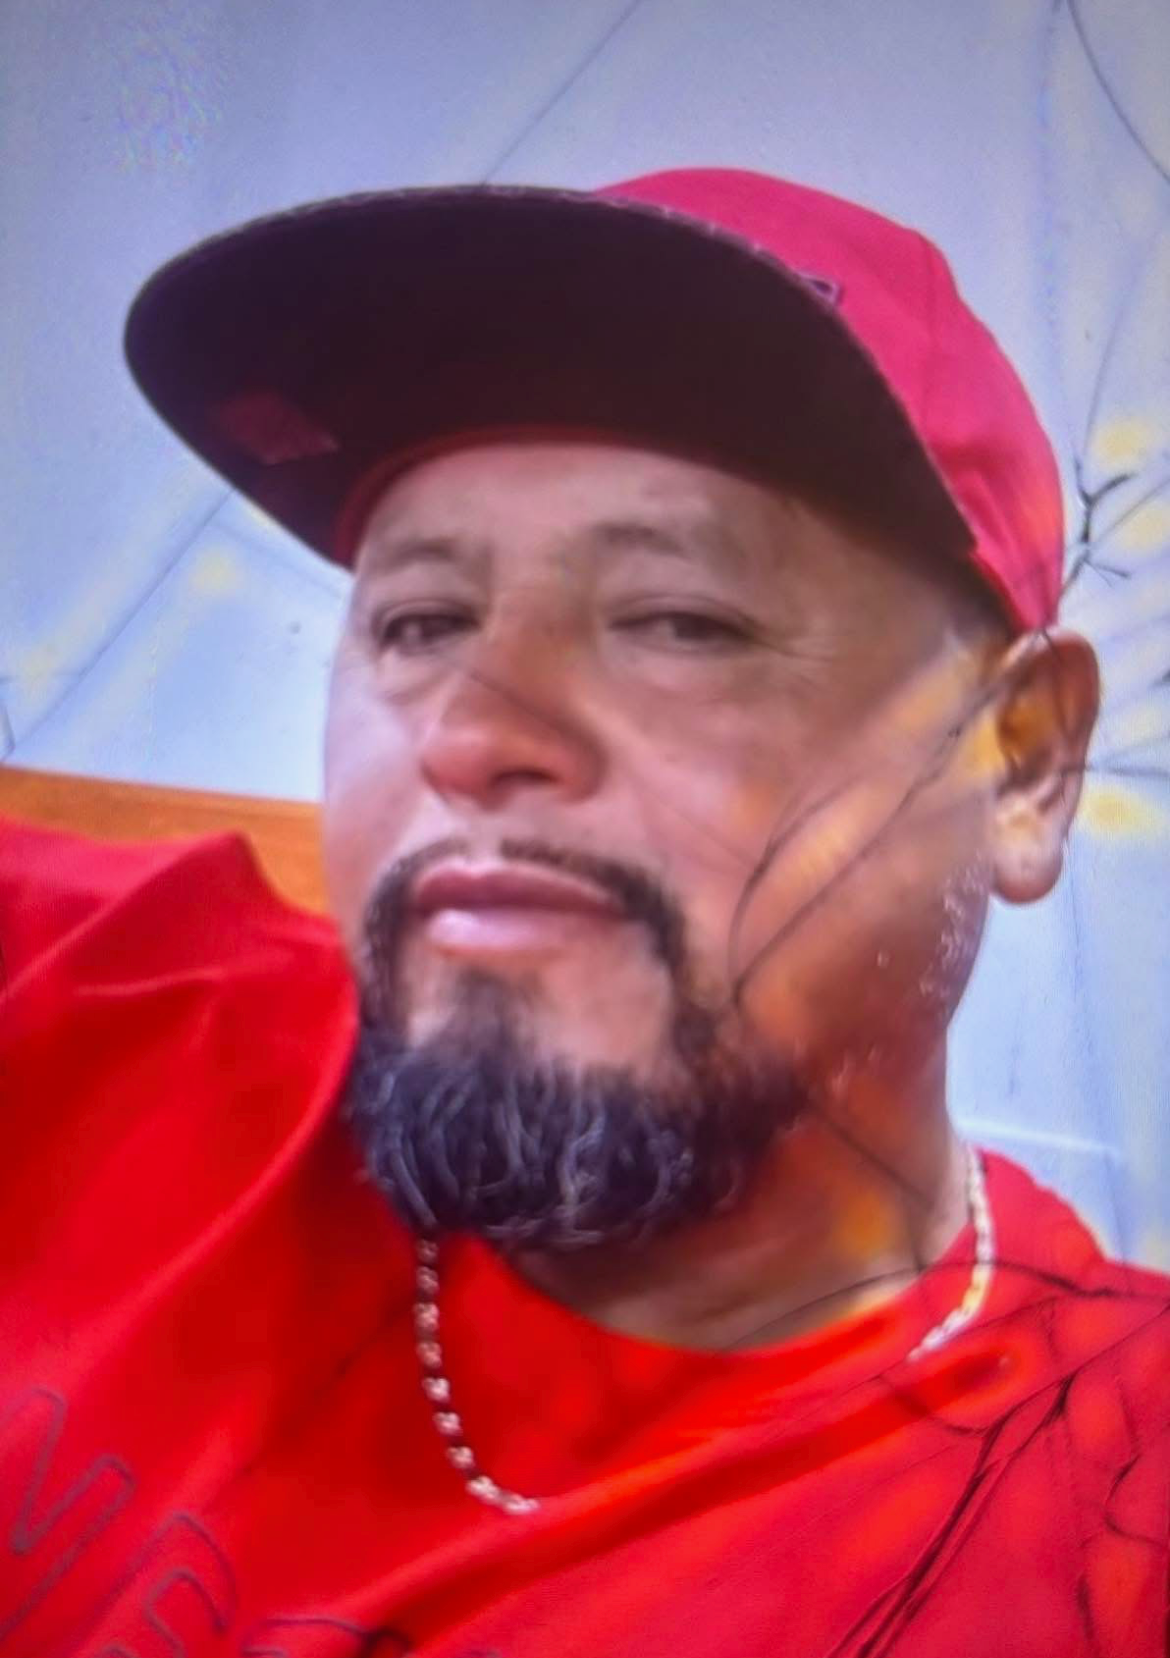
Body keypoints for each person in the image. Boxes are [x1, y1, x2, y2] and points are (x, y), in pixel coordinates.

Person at [1, 168, 1166, 1657]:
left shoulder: (1102, 1518)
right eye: (421, 621)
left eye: (679, 621)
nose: (473, 733)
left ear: (1022, 762)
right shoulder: (96, 1008)